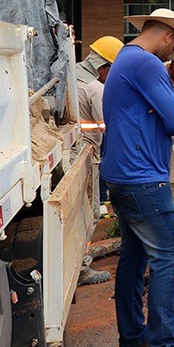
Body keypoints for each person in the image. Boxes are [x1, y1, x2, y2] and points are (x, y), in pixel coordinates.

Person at [100, 8, 174, 347]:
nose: (172, 58)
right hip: (143, 177)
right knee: (171, 254)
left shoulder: (124, 60)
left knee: (133, 255)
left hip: (123, 175)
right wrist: (165, 105)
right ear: (167, 37)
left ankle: (133, 339)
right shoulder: (146, 65)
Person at [75, 36, 123, 286]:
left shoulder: (70, 74)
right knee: (91, 212)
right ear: (103, 66)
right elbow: (108, 125)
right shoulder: (96, 88)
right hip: (87, 155)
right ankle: (81, 269)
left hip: (69, 153)